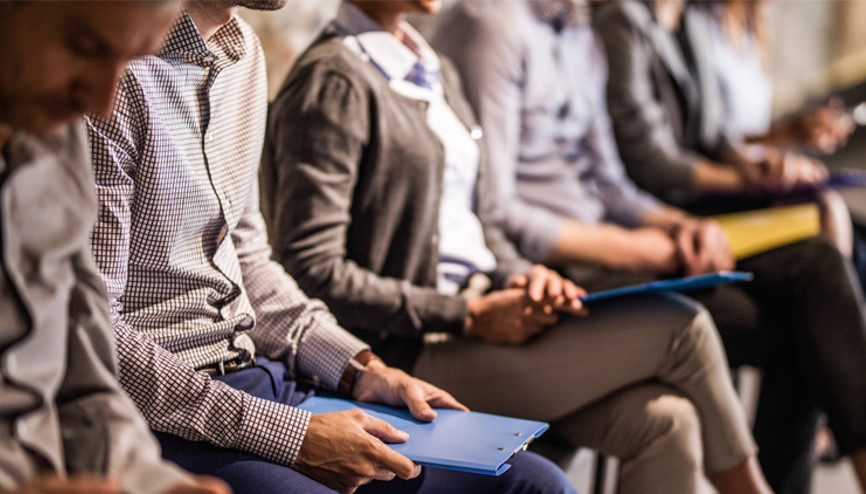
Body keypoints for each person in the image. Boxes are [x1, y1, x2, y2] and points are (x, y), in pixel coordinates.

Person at [261, 1, 774, 492]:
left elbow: (480, 222)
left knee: (667, 420)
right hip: (413, 348)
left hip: (487, 311)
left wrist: (524, 275)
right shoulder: (334, 78)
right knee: (683, 327)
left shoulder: (432, 65)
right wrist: (467, 314)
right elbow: (311, 267)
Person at [85, 1, 573, 493]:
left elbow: (250, 261)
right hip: (165, 410)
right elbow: (94, 334)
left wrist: (360, 369)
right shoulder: (110, 77)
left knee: (534, 483)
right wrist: (290, 436)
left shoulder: (244, 54)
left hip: (259, 375)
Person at [593, 0, 866, 492]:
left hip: (700, 211)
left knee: (822, 278)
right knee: (818, 275)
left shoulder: (692, 21)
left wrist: (757, 164)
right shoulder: (621, 18)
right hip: (664, 218)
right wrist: (748, 181)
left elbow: (715, 134)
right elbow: (648, 161)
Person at [0, 1, 228, 493]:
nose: (101, 103)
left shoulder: (56, 139)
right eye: (84, 47)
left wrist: (155, 482)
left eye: (129, 61)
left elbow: (88, 386)